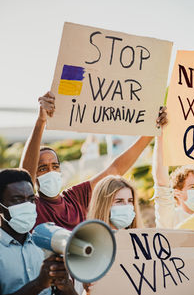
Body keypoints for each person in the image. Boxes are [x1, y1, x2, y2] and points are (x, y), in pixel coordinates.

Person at [20, 91, 167, 231]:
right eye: (43, 168)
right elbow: (24, 178)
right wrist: (41, 121)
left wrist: (151, 132)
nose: (51, 172)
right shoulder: (32, 205)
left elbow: (114, 170)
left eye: (55, 166)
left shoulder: (74, 198)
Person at [0, 168, 79, 295]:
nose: (27, 205)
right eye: (17, 199)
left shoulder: (45, 244)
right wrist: (39, 285)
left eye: (31, 199)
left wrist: (65, 284)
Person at [82, 174, 143, 295]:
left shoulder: (143, 243)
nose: (126, 206)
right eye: (119, 201)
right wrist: (89, 289)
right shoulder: (89, 248)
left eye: (130, 201)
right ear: (104, 205)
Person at [152, 129, 194, 229]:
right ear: (178, 193)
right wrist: (160, 135)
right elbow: (161, 183)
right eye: (193, 187)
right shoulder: (171, 219)